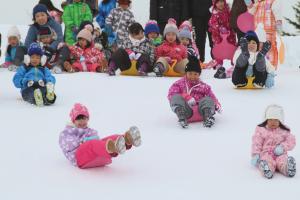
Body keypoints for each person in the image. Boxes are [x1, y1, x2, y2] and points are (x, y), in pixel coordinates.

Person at [59, 103, 142, 169]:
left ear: (88, 119)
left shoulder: (89, 130)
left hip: (95, 157)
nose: (82, 121)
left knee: (108, 139)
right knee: (93, 144)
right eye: (78, 119)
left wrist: (91, 139)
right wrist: (81, 142)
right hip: (79, 158)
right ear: (73, 120)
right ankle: (112, 147)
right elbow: (66, 142)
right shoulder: (68, 131)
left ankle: (126, 140)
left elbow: (96, 139)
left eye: (84, 118)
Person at [168, 56, 221, 128]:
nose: (192, 76)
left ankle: (208, 117)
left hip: (201, 112)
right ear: (186, 73)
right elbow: (171, 95)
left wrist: (216, 104)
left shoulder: (203, 86)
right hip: (186, 112)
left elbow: (212, 96)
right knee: (175, 97)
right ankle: (182, 117)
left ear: (199, 75)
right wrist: (186, 97)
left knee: (208, 99)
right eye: (190, 73)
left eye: (195, 74)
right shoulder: (179, 83)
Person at [251, 105, 296, 179]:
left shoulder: (284, 131)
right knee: (267, 161)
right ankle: (266, 169)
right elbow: (256, 142)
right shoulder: (262, 130)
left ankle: (288, 168)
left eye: (276, 120)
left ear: (280, 121)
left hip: (280, 153)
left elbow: (291, 140)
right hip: (266, 153)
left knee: (282, 160)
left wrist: (282, 147)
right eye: (270, 119)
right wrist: (256, 154)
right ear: (266, 120)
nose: (273, 122)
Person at [208, 0, 237, 79]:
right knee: (219, 51)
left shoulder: (228, 10)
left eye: (222, 2)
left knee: (232, 49)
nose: (220, 4)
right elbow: (212, 23)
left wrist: (232, 27)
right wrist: (219, 28)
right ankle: (219, 66)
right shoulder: (214, 13)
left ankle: (234, 63)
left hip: (230, 34)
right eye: (218, 2)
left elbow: (232, 19)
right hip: (218, 36)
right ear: (215, 4)